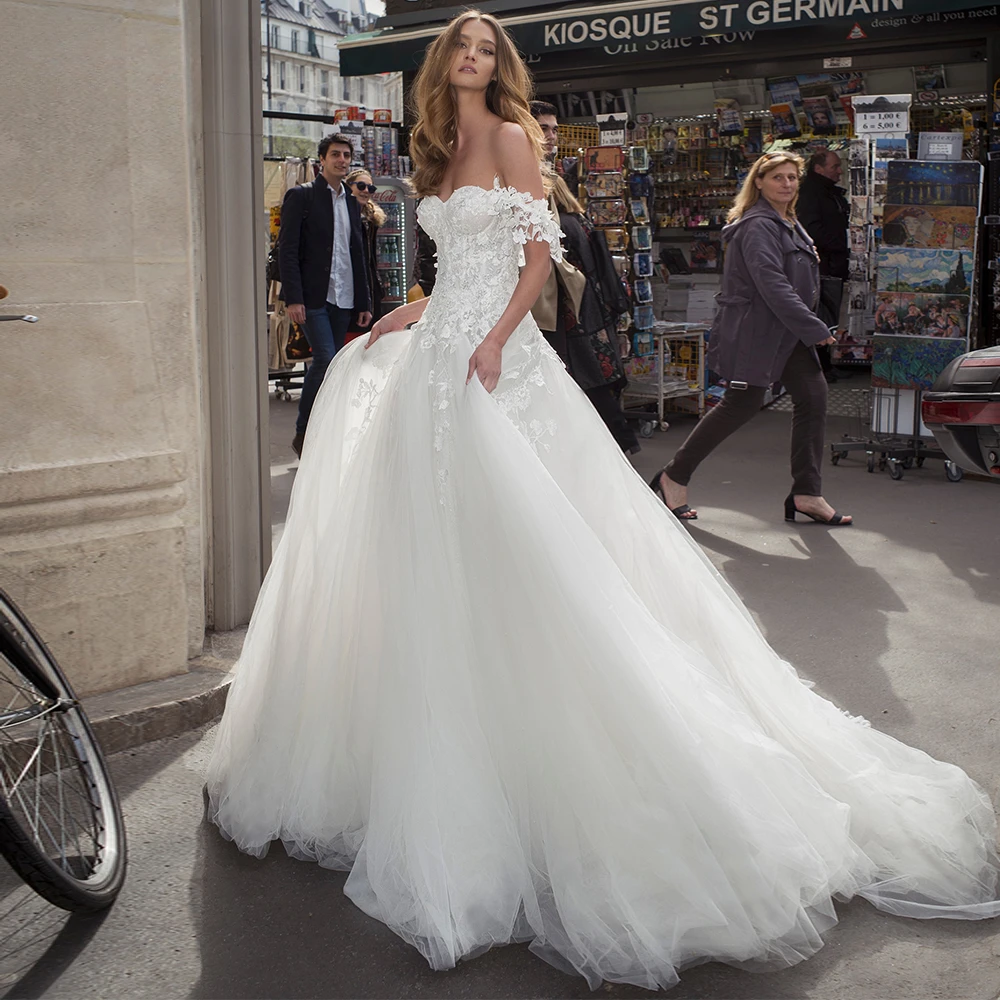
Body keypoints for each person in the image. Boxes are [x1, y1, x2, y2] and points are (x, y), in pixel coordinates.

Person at [207, 11, 1000, 991]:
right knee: (437, 554)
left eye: (487, 50)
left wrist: (493, 340)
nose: (471, 60)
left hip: (497, 365)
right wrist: (399, 321)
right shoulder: (438, 148)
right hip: (437, 361)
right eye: (459, 49)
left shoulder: (507, 135)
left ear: (500, 68)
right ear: (435, 67)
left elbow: (536, 259)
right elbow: (448, 271)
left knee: (538, 554)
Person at [651, 152, 851, 526]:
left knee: (813, 395)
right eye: (778, 177)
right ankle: (673, 477)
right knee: (741, 404)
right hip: (758, 331)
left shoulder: (787, 221)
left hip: (784, 331)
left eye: (792, 177)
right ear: (758, 182)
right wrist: (813, 327)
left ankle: (807, 493)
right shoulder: (758, 225)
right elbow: (772, 284)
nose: (787, 184)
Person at [278, 132, 371, 457]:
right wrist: (293, 298)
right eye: (335, 154)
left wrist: (363, 302)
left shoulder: (349, 199)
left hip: (344, 297)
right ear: (322, 159)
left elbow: (356, 253)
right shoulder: (301, 196)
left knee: (335, 364)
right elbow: (287, 250)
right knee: (325, 359)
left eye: (346, 155)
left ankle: (326, 428)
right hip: (313, 296)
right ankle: (304, 431)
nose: (342, 160)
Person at [538, 172, 638, 453]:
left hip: (574, 312)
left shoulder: (561, 226)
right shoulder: (580, 221)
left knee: (587, 378)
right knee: (597, 377)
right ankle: (621, 439)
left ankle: (619, 440)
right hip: (591, 308)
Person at [797, 149, 849, 382]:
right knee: (820, 314)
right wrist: (841, 245)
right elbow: (813, 229)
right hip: (822, 265)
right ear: (819, 169)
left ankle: (824, 363)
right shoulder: (812, 193)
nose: (839, 171)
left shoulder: (827, 192)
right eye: (835, 166)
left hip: (831, 263)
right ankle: (818, 365)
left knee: (827, 315)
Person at [344, 168, 385, 341]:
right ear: (349, 187)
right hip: (348, 291)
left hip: (369, 289)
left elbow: (370, 261)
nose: (366, 191)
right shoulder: (342, 215)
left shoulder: (370, 219)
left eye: (371, 188)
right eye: (361, 186)